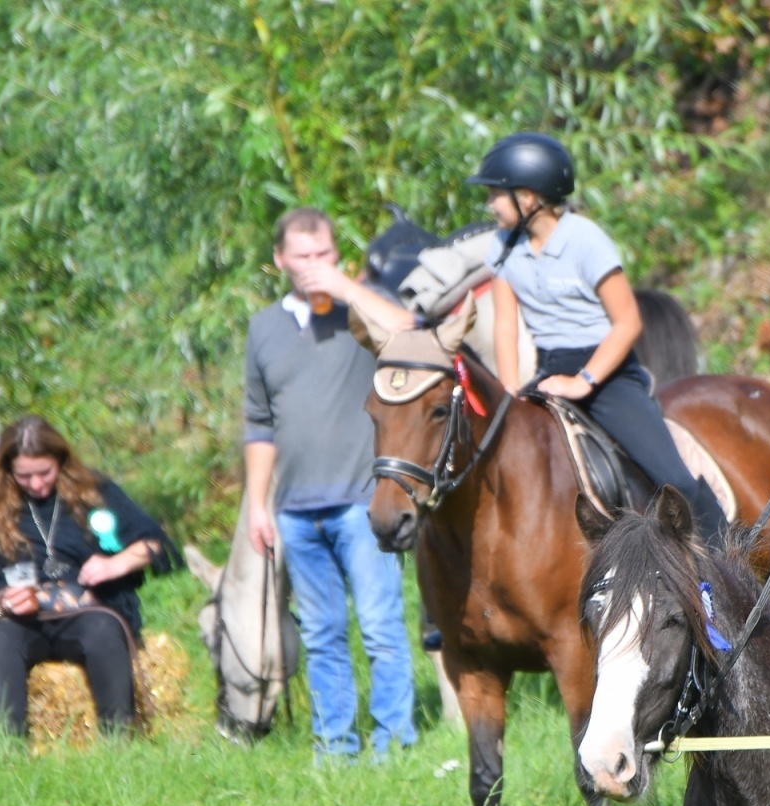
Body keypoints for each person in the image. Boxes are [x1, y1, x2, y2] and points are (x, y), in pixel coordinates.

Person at [466, 132, 727, 544]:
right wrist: (511, 389)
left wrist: (582, 381)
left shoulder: (585, 240)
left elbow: (627, 323)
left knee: (675, 479)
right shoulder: (503, 246)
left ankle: (725, 561)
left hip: (607, 376)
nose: (489, 205)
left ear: (530, 197)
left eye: (496, 194)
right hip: (550, 372)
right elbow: (505, 324)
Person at [244, 207, 417, 766]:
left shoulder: (360, 312)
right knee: (321, 635)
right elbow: (258, 423)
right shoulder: (264, 327)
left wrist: (346, 286)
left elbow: (411, 335)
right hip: (295, 509)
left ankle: (393, 745)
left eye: (324, 255)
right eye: (303, 256)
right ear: (279, 260)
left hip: (362, 501)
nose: (313, 266)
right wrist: (258, 506)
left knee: (380, 627)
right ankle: (334, 748)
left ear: (336, 257)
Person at [0, 416, 180, 736]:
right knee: (0, 639)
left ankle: (120, 739)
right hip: (22, 620)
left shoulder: (94, 490)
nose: (36, 484)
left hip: (88, 610)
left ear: (60, 461)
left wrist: (116, 564)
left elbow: (155, 544)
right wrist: (2, 600)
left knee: (104, 630)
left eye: (44, 473)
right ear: (7, 470)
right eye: (24, 476)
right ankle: (8, 748)